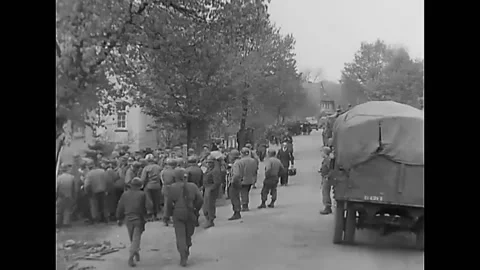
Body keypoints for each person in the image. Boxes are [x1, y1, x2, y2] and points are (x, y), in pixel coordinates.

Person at [164, 168, 204, 267]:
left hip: (177, 212)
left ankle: (183, 254)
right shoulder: (193, 186)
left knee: (180, 235)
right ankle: (187, 247)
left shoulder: (172, 187)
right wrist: (196, 209)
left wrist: (167, 215)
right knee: (188, 234)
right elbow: (200, 199)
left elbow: (168, 203)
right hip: (190, 212)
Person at [116, 177, 153, 267]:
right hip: (138, 219)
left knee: (132, 238)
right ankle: (131, 256)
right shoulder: (142, 194)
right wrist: (148, 214)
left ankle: (135, 252)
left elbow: (120, 207)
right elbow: (149, 205)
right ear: (140, 186)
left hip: (128, 219)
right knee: (136, 239)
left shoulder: (125, 194)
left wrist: (119, 218)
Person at [141, 154, 163, 221]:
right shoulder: (159, 167)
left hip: (149, 185)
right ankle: (157, 214)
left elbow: (143, 178)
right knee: (156, 200)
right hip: (157, 185)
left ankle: (151, 214)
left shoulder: (146, 168)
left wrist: (142, 185)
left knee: (149, 200)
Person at [202, 155, 222, 228]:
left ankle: (210, 220)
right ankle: (208, 219)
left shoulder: (215, 171)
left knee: (209, 206)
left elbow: (217, 182)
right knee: (206, 206)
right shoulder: (210, 169)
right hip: (207, 188)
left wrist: (211, 189)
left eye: (210, 162)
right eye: (208, 162)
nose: (208, 164)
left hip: (211, 189)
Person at [56, 163, 76, 228]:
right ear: (67, 169)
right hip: (69, 196)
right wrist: (73, 196)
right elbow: (74, 188)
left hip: (60, 196)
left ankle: (57, 223)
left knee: (58, 211)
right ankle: (66, 223)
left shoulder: (58, 178)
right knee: (67, 210)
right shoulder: (72, 177)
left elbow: (57, 188)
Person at [161, 158, 177, 225]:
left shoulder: (163, 171)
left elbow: (162, 180)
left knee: (166, 204)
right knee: (175, 204)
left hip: (165, 187)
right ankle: (173, 218)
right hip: (173, 188)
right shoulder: (175, 172)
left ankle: (165, 219)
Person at [228, 149, 243, 220]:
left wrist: (232, 181)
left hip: (235, 182)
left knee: (234, 197)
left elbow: (236, 174)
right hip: (239, 181)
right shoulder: (240, 162)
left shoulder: (236, 164)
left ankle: (236, 212)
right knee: (236, 197)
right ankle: (237, 211)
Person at [319, 146, 334, 215]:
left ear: (325, 152)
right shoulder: (326, 159)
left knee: (325, 192)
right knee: (324, 192)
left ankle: (327, 207)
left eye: (322, 152)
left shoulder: (328, 160)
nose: (321, 153)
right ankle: (327, 206)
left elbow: (331, 169)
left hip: (326, 178)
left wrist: (328, 176)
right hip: (324, 177)